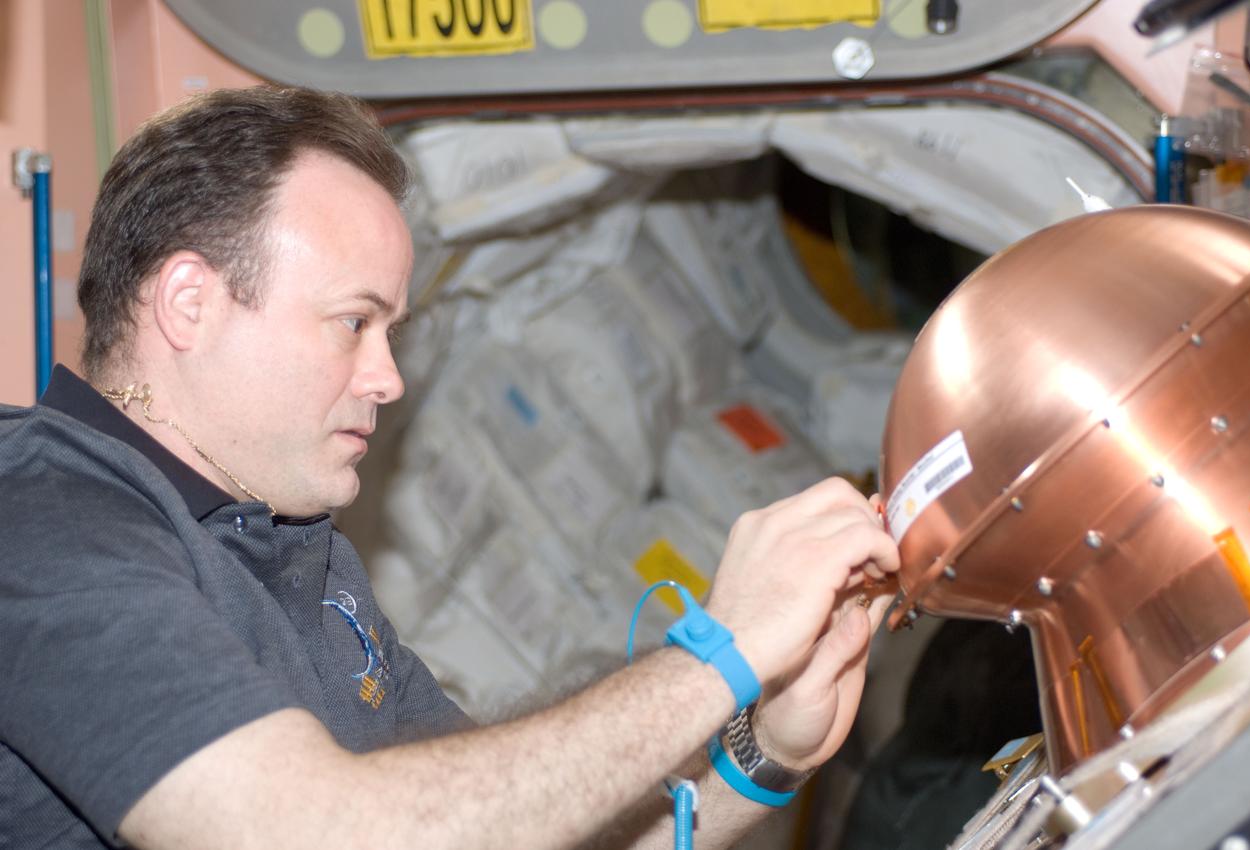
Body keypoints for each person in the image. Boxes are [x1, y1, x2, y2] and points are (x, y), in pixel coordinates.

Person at [0, 86, 899, 850]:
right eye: (355, 322)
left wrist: (761, 755)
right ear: (190, 303)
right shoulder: (39, 518)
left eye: (392, 331)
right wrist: (720, 655)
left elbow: (505, 823)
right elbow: (310, 832)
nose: (388, 378)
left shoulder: (298, 555)